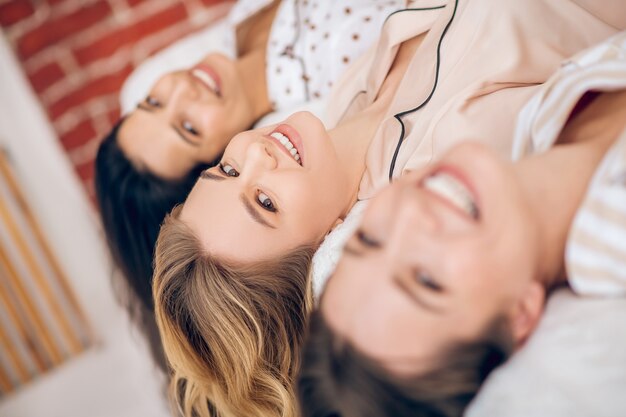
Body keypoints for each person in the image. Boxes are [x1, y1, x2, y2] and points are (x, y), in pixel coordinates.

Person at [152, 1, 623, 416]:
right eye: (266, 202)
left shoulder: (340, 101)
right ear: (320, 247)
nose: (255, 155)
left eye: (227, 171)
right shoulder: (448, 166)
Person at [297, 32, 626, 417]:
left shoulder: (535, 126)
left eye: (369, 240)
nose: (409, 216)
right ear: (520, 314)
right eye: (427, 280)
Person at [94, 0, 403, 367]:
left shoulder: (242, 35)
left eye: (153, 102)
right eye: (189, 128)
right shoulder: (335, 72)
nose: (182, 91)